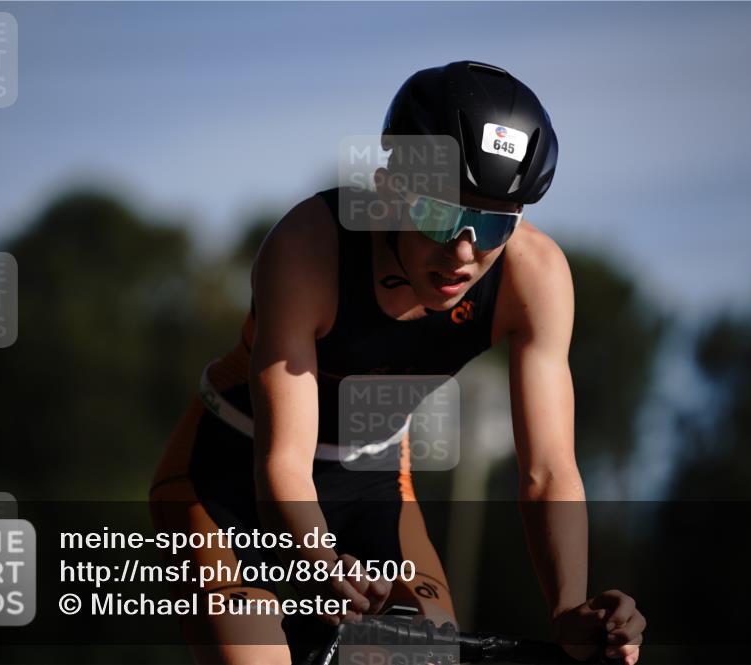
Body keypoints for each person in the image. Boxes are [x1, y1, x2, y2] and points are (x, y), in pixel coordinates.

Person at [149, 60, 645, 665]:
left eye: (492, 225)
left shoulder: (535, 275)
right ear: (388, 190)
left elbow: (547, 470)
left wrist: (569, 610)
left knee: (424, 658)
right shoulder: (309, 249)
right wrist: (320, 561)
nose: (462, 252)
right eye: (440, 214)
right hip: (229, 474)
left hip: (375, 479)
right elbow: (282, 462)